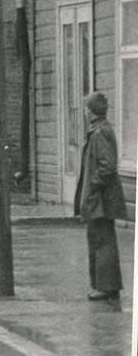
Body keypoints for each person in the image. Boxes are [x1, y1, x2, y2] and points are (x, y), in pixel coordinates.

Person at [74, 91, 128, 301]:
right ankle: (105, 285)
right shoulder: (101, 130)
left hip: (101, 199)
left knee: (102, 240)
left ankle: (106, 287)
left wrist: (93, 186)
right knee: (100, 238)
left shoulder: (99, 133)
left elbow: (107, 166)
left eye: (86, 108)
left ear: (91, 111)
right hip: (101, 197)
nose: (85, 112)